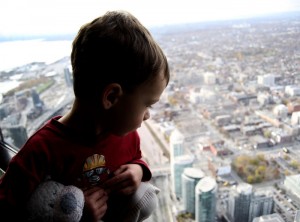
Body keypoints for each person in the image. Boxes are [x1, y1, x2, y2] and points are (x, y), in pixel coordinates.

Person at [0, 10, 170, 221]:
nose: (147, 117)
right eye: (147, 106)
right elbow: (6, 208)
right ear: (111, 97)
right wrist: (78, 217)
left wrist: (138, 171)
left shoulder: (126, 136)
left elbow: (136, 158)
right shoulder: (42, 150)